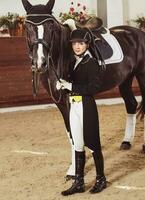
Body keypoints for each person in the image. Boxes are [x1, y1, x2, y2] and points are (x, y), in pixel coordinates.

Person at [56, 28, 106, 196]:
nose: (77, 46)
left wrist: (72, 87)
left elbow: (94, 87)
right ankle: (79, 181)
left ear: (87, 45)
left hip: (86, 105)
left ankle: (101, 179)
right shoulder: (73, 62)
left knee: (92, 144)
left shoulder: (91, 63)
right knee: (77, 143)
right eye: (75, 44)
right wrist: (63, 83)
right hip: (74, 106)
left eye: (81, 43)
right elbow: (72, 81)